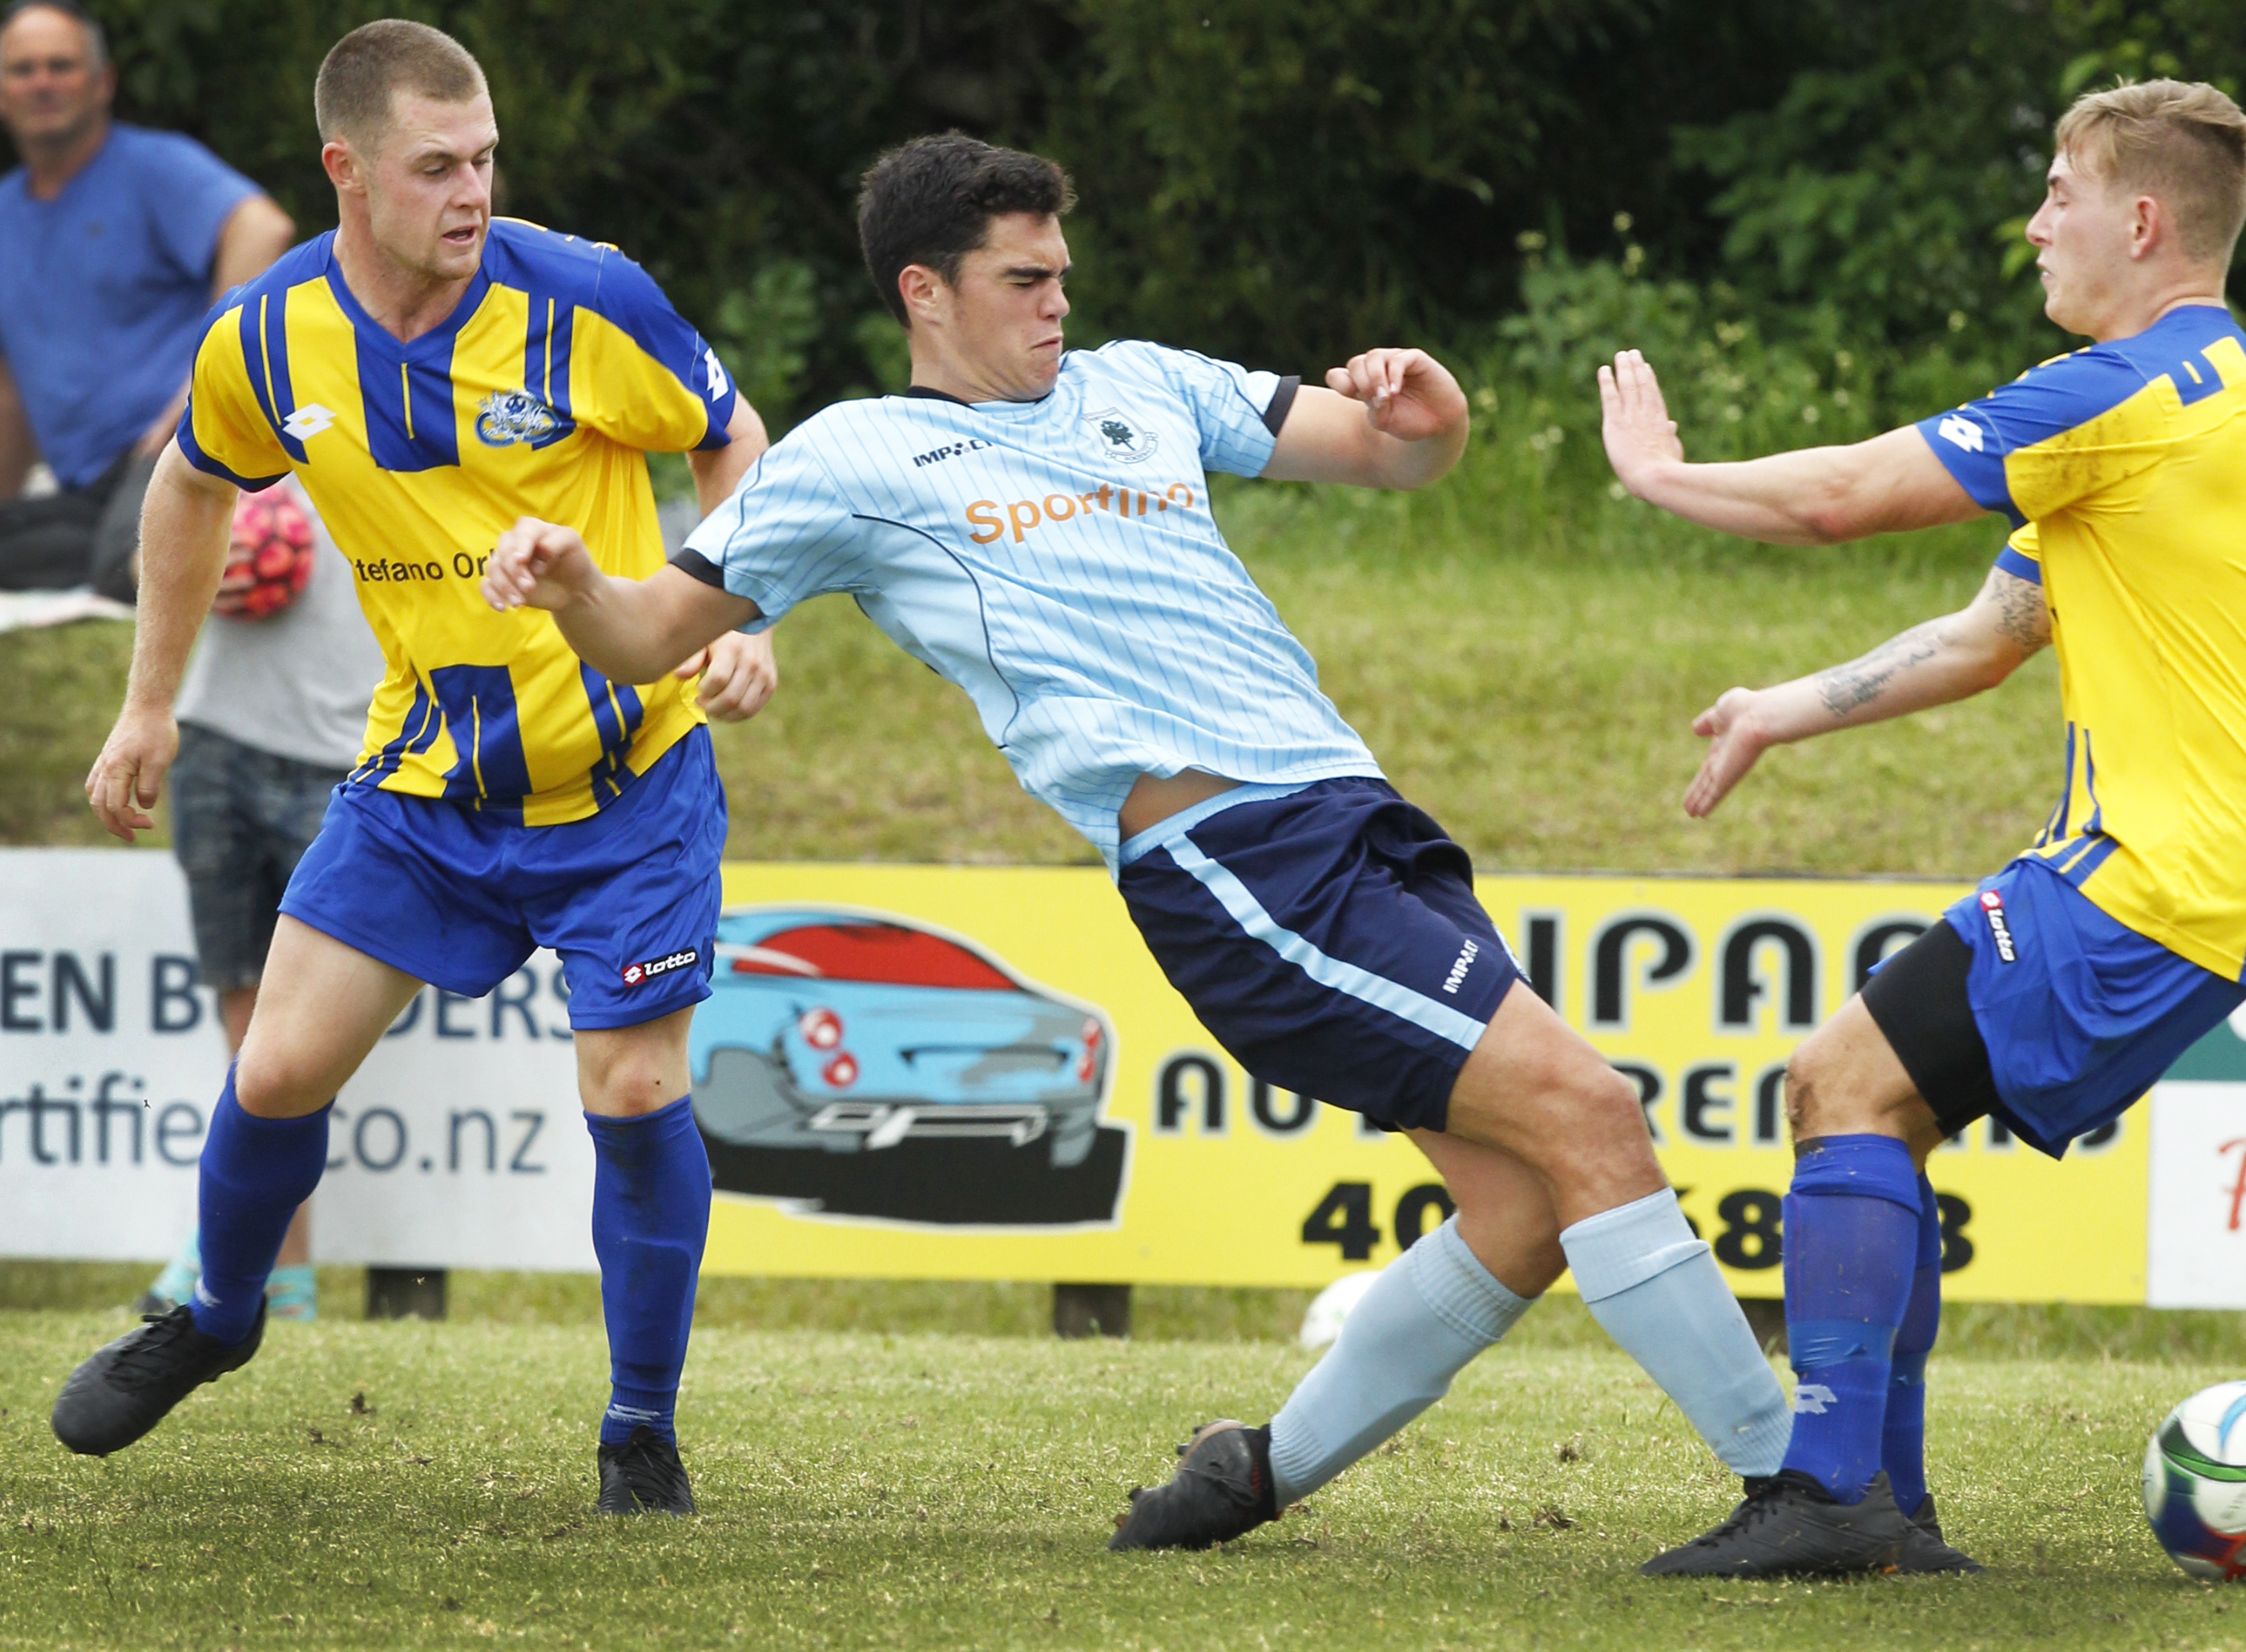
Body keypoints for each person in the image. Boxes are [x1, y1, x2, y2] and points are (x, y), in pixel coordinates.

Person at [481, 131, 1793, 1553]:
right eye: (1023, 279)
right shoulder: (851, 459)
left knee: (1525, 1205)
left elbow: (1392, 456)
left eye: (1062, 274)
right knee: (1589, 1113)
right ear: (925, 292)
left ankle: (1252, 1475)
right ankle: (1797, 1488)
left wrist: (1430, 405)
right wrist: (569, 590)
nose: (1057, 303)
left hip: (1355, 818)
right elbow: (645, 636)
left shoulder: (1141, 384)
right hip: (1234, 865)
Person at [56, 19, 779, 1521]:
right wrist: (148, 709)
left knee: (635, 1086)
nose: (472, 190)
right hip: (425, 784)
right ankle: (223, 1316)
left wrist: (739, 613)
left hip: (623, 782)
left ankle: (637, 1430)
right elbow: (191, 485)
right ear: (347, 172)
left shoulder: (584, 295)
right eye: (437, 166)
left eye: (487, 158)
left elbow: (731, 440)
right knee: (278, 1068)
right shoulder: (264, 340)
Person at [1600, 77, 2246, 1577]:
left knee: (1840, 1088)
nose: (2033, 226)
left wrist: (1657, 476)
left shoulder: (2117, 394)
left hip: (2155, 878)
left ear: (2137, 220)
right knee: (1861, 1098)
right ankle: (1870, 1512)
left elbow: (1839, 497)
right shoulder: (2190, 412)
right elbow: (1985, 635)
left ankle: (1840, 1499)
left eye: (2057, 194)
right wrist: (1782, 704)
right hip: (2180, 879)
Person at [133, 479, 386, 1323]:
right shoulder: (260, 416)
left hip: (356, 765)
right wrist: (226, 548)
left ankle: (235, 1260)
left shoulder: (435, 421)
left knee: (302, 1045)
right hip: (217, 744)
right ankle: (280, 1278)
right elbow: (149, 549)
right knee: (247, 1029)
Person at [0, 0, 294, 597]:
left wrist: (204, 387)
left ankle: (161, 560)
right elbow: (11, 385)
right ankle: (150, 556)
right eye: (23, 69)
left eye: (61, 65)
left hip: (175, 450)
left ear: (103, 82)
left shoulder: (152, 167)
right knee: (93, 552)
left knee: (128, 559)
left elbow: (262, 228)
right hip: (85, 484)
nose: (42, 84)